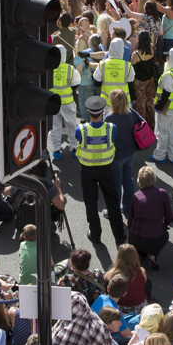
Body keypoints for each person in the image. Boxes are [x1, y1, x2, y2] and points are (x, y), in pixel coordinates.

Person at [75, 94, 126, 250]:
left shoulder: (81, 129)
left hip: (87, 171)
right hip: (106, 170)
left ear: (88, 112)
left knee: (91, 203)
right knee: (112, 201)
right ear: (103, 112)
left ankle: (95, 235)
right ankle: (119, 235)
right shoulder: (111, 128)